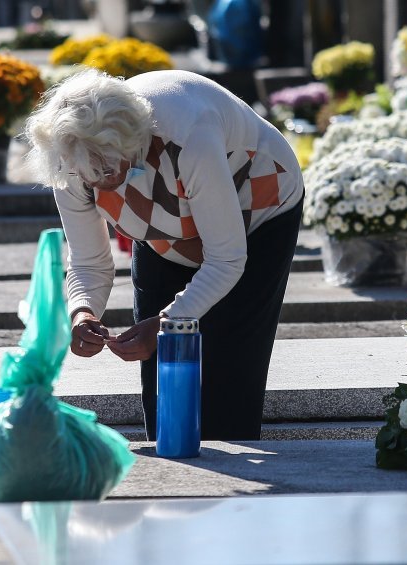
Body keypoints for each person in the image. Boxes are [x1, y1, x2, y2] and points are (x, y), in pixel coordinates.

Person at [24, 69, 304, 441]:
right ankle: (173, 470)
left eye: (108, 168)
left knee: (228, 366)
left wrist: (163, 324)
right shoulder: (72, 158)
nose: (97, 181)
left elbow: (226, 259)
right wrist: (82, 312)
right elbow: (89, 262)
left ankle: (237, 487)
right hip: (163, 228)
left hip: (257, 209)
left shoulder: (188, 134)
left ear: (130, 143)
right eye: (87, 173)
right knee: (160, 370)